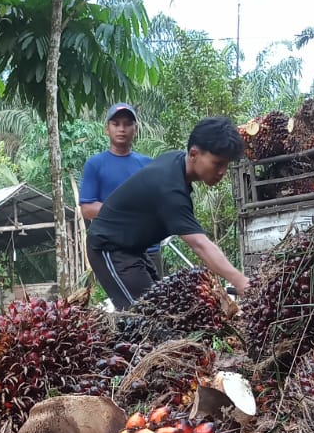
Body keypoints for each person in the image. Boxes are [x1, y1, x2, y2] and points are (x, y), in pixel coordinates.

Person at [86, 116, 249, 310]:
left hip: (133, 250)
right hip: (109, 249)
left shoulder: (177, 162)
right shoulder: (170, 189)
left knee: (162, 312)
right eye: (217, 163)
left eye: (226, 165)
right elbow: (200, 245)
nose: (222, 171)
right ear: (194, 153)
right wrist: (240, 282)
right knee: (144, 318)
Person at [79, 103, 163, 276]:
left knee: (159, 301)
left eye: (127, 124)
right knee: (128, 302)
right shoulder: (95, 164)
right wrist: (126, 210)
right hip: (116, 250)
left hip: (150, 249)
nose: (122, 129)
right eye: (116, 124)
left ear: (135, 129)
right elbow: (87, 209)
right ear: (107, 129)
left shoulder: (148, 165)